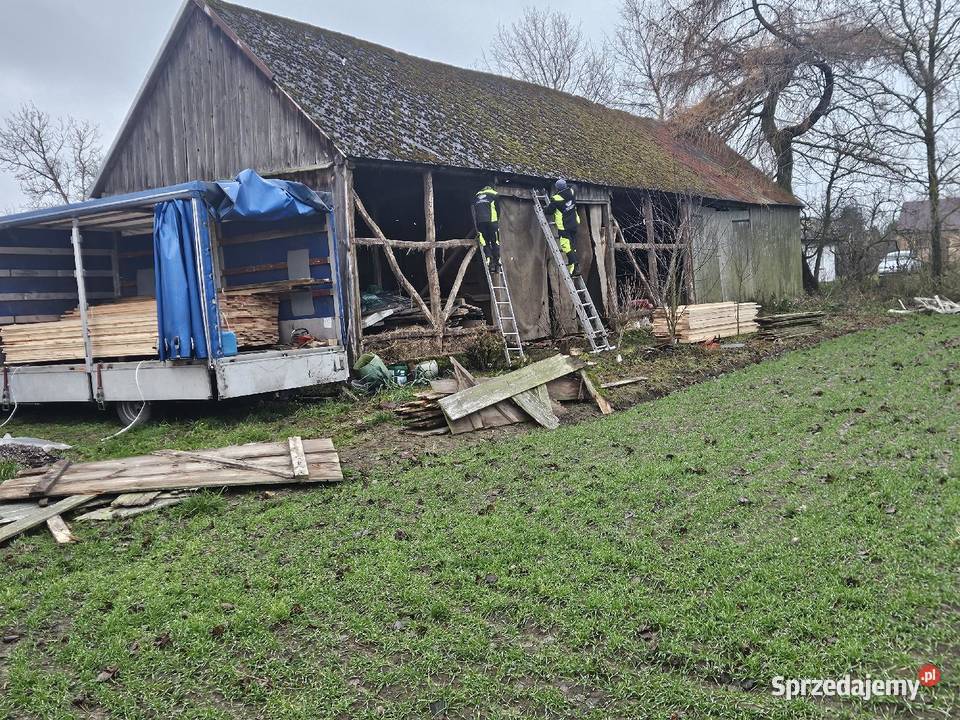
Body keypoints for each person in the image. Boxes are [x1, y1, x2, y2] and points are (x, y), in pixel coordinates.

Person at [544, 178, 580, 275]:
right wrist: (566, 184)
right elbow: (575, 186)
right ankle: (574, 268)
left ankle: (575, 265)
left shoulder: (556, 198)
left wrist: (544, 208)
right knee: (572, 245)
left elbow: (549, 211)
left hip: (564, 226)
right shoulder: (572, 192)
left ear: (557, 188)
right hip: (574, 223)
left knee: (565, 245)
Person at [472, 183, 502, 274]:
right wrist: (498, 220)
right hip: (492, 222)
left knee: (485, 242)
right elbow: (498, 209)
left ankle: (490, 262)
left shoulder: (477, 196)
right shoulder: (494, 194)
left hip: (480, 223)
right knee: (495, 241)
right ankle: (498, 262)